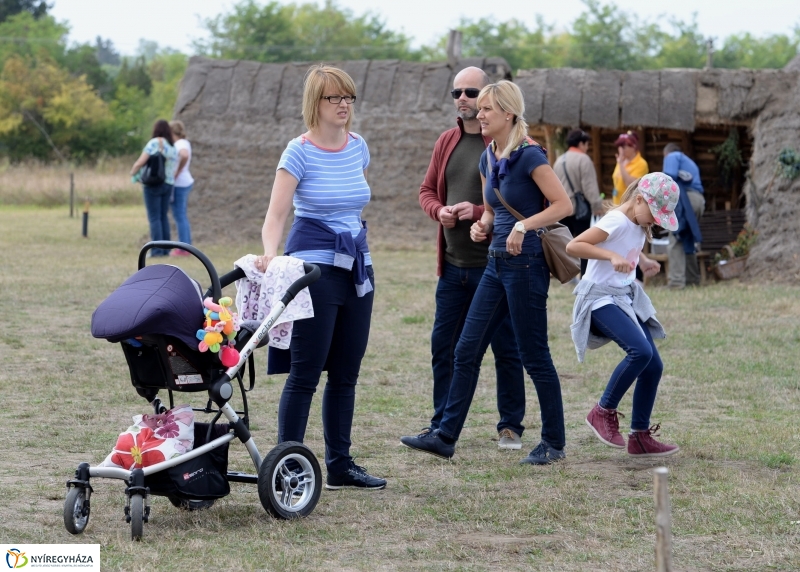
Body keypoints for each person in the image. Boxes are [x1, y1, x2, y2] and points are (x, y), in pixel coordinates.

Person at [400, 80, 572, 465]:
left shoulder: (530, 156)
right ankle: (445, 436)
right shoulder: (487, 158)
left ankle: (554, 443)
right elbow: (493, 212)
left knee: (533, 355)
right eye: (480, 109)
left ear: (508, 113)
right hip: (494, 262)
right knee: (465, 348)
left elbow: (564, 204)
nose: (480, 114)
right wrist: (483, 225)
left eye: (487, 109)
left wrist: (524, 226)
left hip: (526, 264)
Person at [254, 65, 386, 490]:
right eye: (335, 98)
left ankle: (340, 466)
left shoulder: (359, 147)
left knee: (347, 372)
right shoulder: (298, 151)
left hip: (356, 267)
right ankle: (287, 467)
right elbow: (276, 214)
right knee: (306, 373)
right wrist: (271, 254)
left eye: (349, 97)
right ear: (317, 103)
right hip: (313, 270)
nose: (344, 105)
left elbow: (354, 206)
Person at [416, 66, 527, 451]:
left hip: (494, 266)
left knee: (506, 347)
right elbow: (427, 190)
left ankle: (510, 425)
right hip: (453, 267)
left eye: (470, 93)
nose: (462, 99)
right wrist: (440, 211)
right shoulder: (446, 141)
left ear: (491, 102)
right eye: (456, 92)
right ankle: (441, 423)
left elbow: (520, 204)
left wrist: (478, 211)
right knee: (443, 346)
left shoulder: (505, 147)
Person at [566, 172, 680, 457]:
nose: (654, 221)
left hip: (622, 296)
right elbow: (575, 245)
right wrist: (611, 257)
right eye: (654, 214)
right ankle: (601, 412)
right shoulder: (616, 219)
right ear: (639, 199)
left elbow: (626, 244)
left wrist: (643, 259)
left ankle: (639, 437)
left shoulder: (639, 223)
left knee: (653, 365)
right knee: (640, 351)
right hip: (598, 298)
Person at [553, 129, 603, 276]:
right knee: (584, 244)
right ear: (581, 143)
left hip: (561, 209)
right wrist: (597, 205)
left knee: (565, 244)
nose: (587, 147)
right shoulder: (584, 160)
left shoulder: (559, 160)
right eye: (586, 144)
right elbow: (589, 187)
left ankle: (566, 274)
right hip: (580, 210)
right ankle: (585, 274)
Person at [130, 120, 178, 257]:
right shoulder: (172, 146)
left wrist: (133, 172)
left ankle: (156, 250)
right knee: (163, 217)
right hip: (168, 184)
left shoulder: (154, 143)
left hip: (154, 184)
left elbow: (141, 161)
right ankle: (166, 249)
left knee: (154, 218)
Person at [662, 143, 705, 288]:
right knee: (687, 239)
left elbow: (669, 178)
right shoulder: (689, 162)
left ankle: (676, 282)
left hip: (685, 200)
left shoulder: (673, 156)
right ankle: (693, 279)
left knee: (675, 237)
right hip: (698, 200)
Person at [169, 120, 194, 257]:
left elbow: (184, 155)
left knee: (180, 216)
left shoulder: (180, 144)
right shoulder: (185, 142)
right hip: (184, 182)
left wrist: (177, 171)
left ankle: (183, 248)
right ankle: (186, 245)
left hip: (180, 183)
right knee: (181, 215)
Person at [611, 131, 648, 206]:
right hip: (617, 203)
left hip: (630, 205)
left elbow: (630, 184)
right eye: (620, 147)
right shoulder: (622, 160)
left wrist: (620, 164)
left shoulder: (641, 164)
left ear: (633, 146)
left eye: (624, 147)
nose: (621, 150)